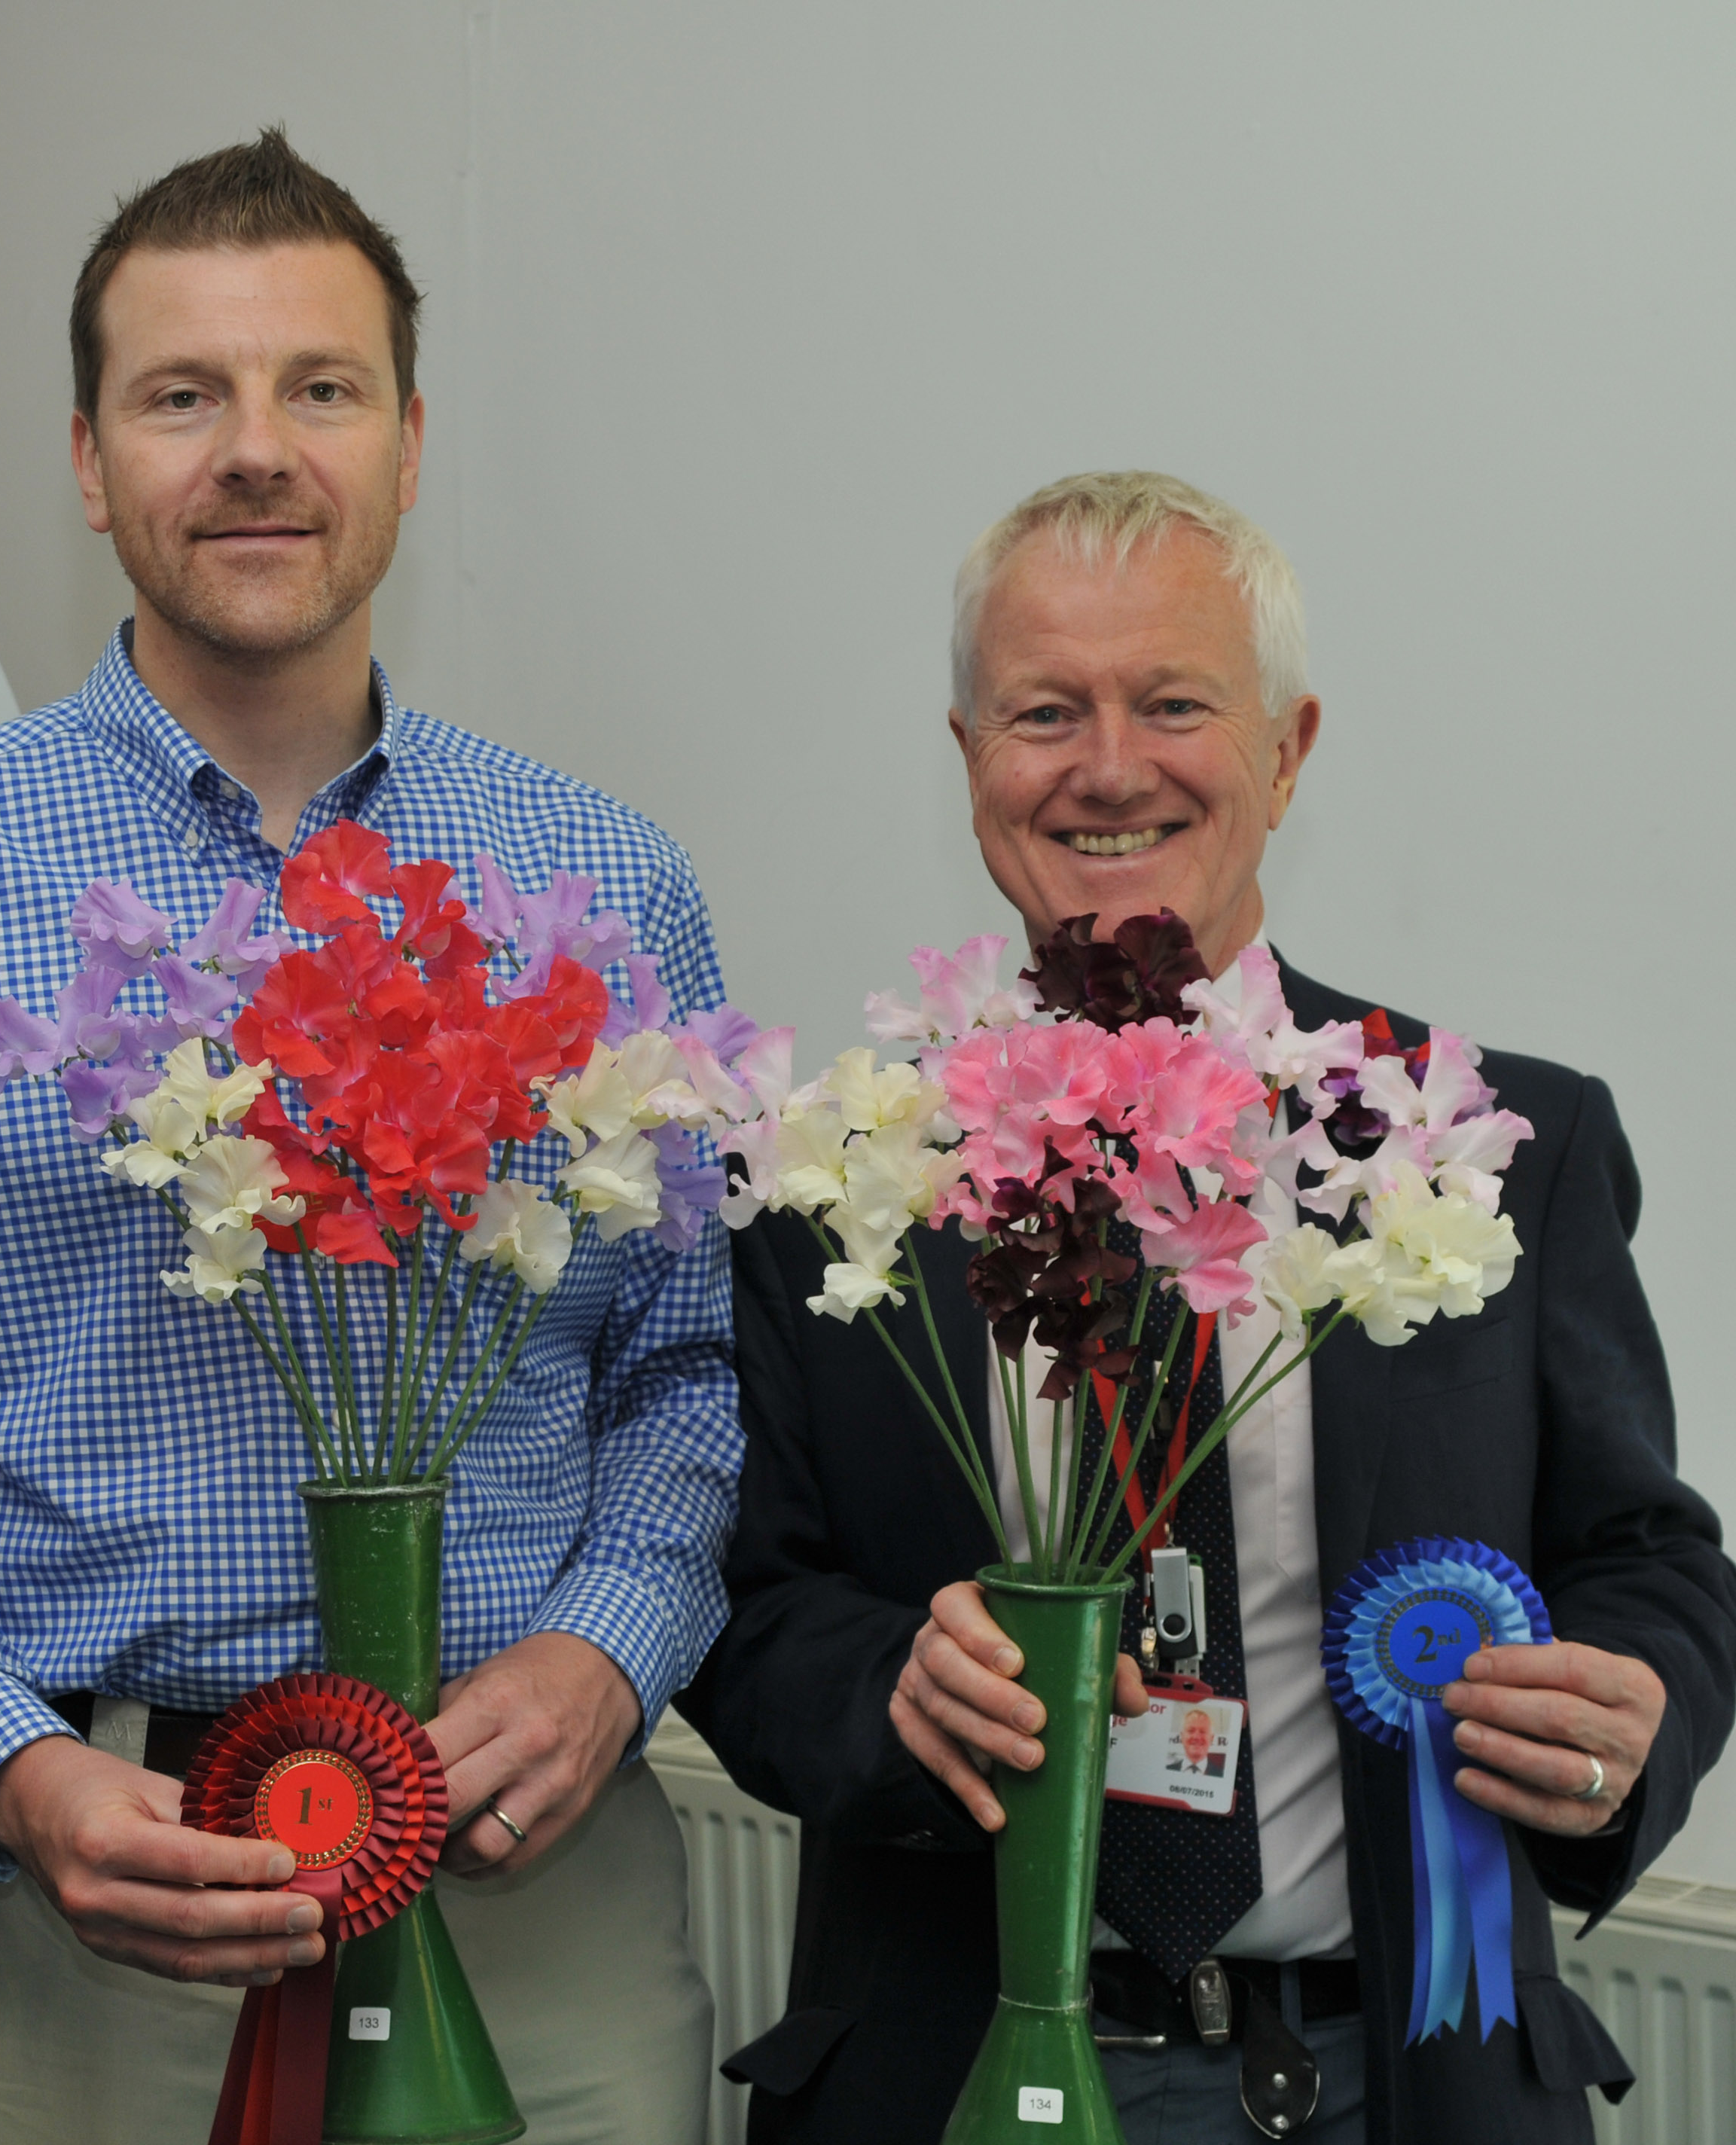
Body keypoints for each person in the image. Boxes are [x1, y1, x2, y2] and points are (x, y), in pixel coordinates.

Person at [0, 131, 732, 2145]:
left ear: (410, 447)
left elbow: (680, 1372)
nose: (256, 449)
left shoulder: (601, 881)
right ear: (88, 461)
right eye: (185, 396)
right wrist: (7, 1768)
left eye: (317, 389)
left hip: (538, 1887)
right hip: (95, 1904)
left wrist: (607, 1655)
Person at [682, 471, 1736, 2144]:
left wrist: (1633, 1707)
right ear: (968, 759)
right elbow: (745, 1605)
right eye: (1042, 711)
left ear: (1285, 748)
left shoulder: (1485, 1145)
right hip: (955, 2070)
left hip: (1402, 2078)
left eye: (1172, 702)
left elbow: (1645, 1555)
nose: (1107, 766)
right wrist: (888, 1683)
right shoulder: (832, 1172)